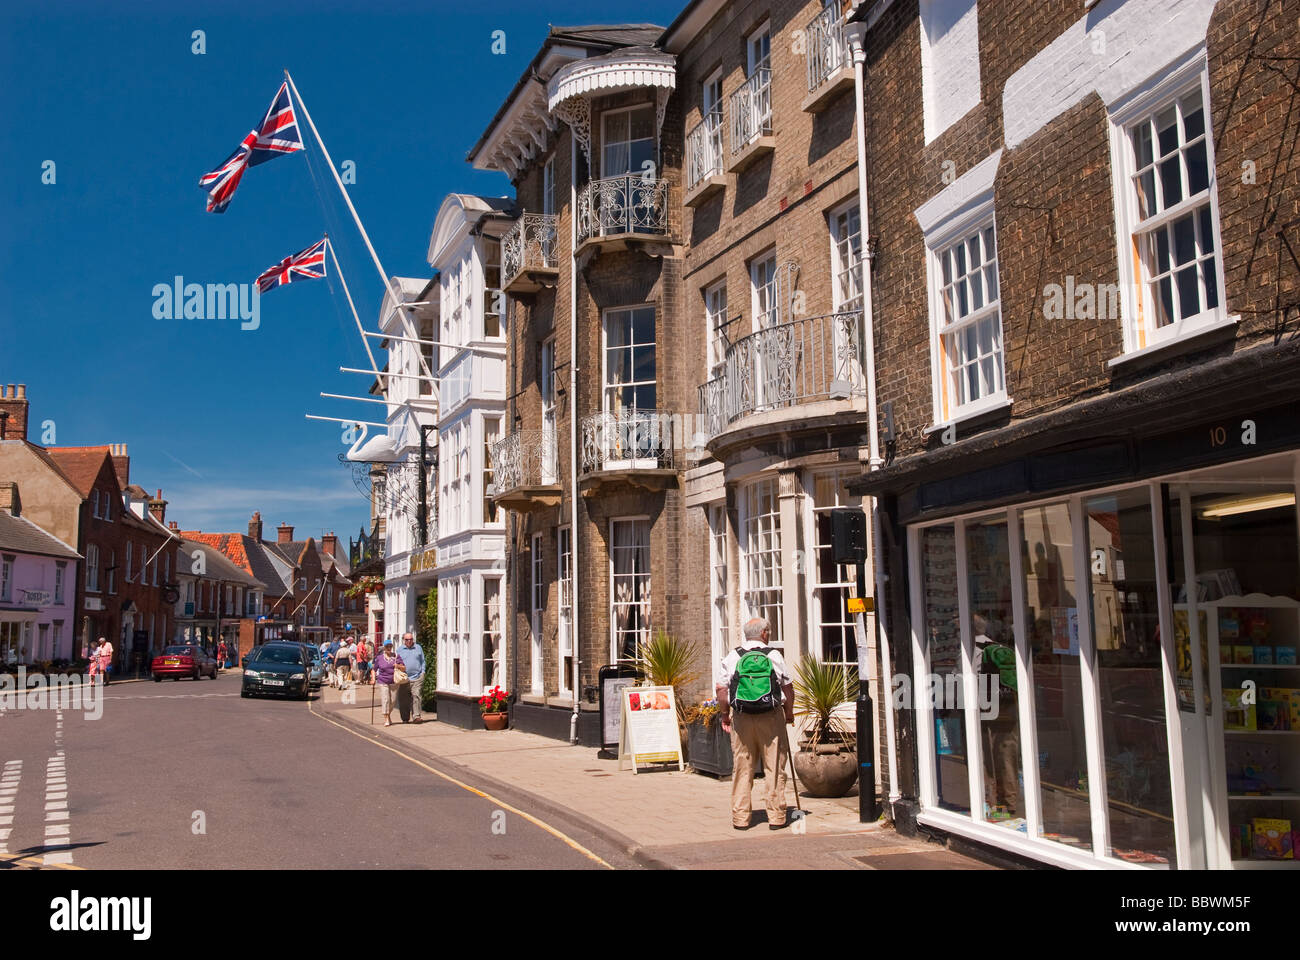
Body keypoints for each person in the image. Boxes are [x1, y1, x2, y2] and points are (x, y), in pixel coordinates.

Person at [715, 617, 794, 831]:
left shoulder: (734, 656)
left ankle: (741, 818)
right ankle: (776, 817)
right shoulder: (774, 655)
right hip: (771, 716)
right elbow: (787, 687)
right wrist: (789, 713)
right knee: (774, 766)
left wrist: (724, 715)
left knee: (742, 767)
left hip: (741, 717)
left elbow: (721, 690)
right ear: (765, 633)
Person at [396, 633, 425, 723]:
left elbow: (422, 661)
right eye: (407, 640)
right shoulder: (400, 650)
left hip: (417, 677)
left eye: (411, 639)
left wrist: (423, 672)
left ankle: (416, 717)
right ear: (404, 640)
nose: (409, 641)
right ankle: (405, 718)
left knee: (416, 695)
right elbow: (396, 663)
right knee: (404, 699)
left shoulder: (418, 648)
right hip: (404, 678)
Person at [373, 642, 399, 726]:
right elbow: (374, 669)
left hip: (394, 681)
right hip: (383, 681)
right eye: (387, 646)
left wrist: (398, 666)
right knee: (385, 699)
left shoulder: (395, 656)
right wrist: (373, 679)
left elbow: (403, 667)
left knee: (393, 701)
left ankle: (388, 714)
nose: (389, 648)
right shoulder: (379, 658)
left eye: (390, 646)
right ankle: (386, 718)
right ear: (384, 647)